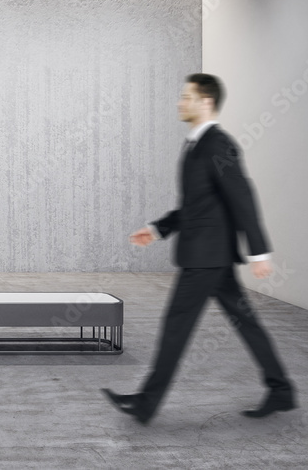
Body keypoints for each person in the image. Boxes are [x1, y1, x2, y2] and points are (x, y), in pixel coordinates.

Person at [102, 73, 296, 424]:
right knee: (246, 322)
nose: (180, 102)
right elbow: (197, 205)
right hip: (212, 256)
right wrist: (159, 229)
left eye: (186, 97)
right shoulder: (195, 145)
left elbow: (242, 197)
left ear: (206, 102)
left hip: (206, 258)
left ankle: (147, 403)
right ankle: (282, 390)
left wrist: (259, 252)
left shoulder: (218, 145)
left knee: (176, 324)